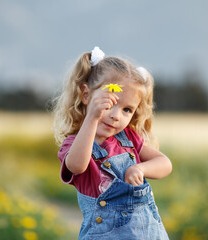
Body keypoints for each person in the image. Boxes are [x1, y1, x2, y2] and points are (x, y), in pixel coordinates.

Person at [53, 46, 172, 240]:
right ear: (86, 95)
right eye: (109, 103)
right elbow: (76, 165)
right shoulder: (74, 144)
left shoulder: (129, 139)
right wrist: (92, 117)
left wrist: (139, 169)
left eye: (127, 110)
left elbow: (165, 164)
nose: (116, 115)